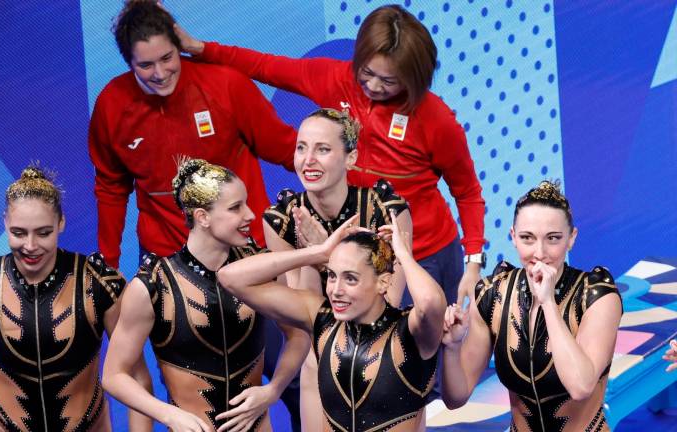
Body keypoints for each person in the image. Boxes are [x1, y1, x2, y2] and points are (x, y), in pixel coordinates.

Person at [176, 4, 486, 306]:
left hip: (425, 254)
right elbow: (265, 66)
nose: (373, 86)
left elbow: (468, 192)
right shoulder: (334, 79)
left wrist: (473, 263)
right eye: (367, 73)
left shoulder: (437, 120)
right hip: (358, 256)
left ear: (412, 77)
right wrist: (199, 47)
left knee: (420, 352)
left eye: (389, 81)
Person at [0, 166, 152, 431]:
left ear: (61, 222)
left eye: (43, 233)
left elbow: (137, 376)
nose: (30, 246)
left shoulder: (99, 284)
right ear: (5, 222)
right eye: (18, 233)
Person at [102, 158, 310, 431]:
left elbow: (299, 333)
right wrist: (168, 414)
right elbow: (114, 375)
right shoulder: (153, 286)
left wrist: (273, 389)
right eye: (236, 208)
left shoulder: (261, 269)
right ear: (202, 217)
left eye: (245, 204)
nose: (250, 215)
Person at [89, 0, 297, 269]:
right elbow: (111, 190)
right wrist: (109, 266)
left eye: (167, 58)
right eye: (146, 65)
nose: (161, 74)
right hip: (166, 261)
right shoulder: (111, 105)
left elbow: (288, 149)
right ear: (129, 62)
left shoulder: (225, 85)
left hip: (246, 250)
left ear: (179, 46)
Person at [217, 212, 446, 431]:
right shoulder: (322, 319)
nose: (336, 290)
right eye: (332, 275)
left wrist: (403, 255)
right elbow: (230, 277)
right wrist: (319, 252)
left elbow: (429, 301)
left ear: (383, 283)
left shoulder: (409, 332)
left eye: (350, 279)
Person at [262, 107, 411, 430]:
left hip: (382, 353)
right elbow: (306, 317)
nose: (308, 160)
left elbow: (389, 309)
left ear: (351, 158)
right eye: (302, 147)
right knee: (315, 362)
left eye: (323, 149)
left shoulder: (386, 210)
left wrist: (326, 253)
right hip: (320, 354)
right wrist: (314, 255)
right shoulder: (283, 219)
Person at [440, 181, 622, 431]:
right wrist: (451, 347)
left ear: (571, 239)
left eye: (553, 239)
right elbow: (455, 398)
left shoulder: (596, 296)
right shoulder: (493, 295)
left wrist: (547, 302)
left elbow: (581, 386)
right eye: (527, 238)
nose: (540, 252)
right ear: (513, 237)